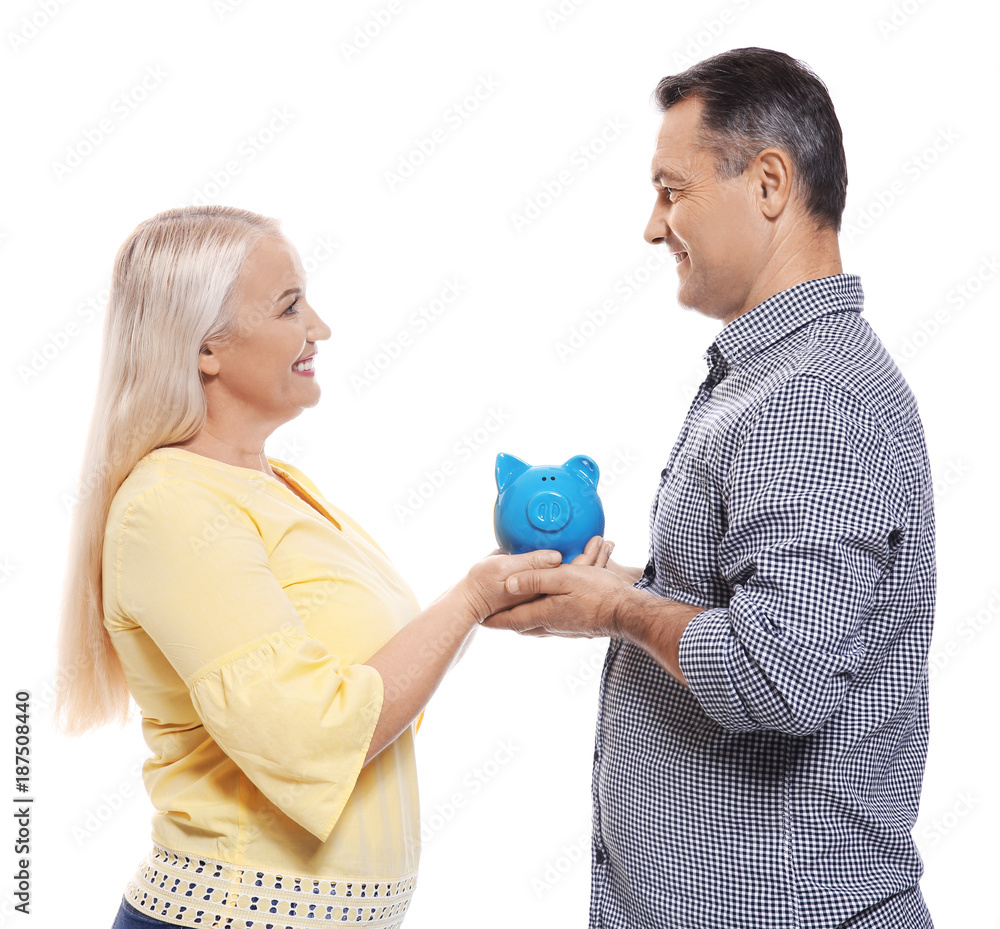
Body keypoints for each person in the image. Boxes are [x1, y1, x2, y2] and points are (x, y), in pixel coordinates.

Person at [54, 205, 612, 929]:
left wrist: (529, 586)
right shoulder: (171, 507)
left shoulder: (276, 484)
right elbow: (314, 733)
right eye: (290, 306)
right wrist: (475, 594)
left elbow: (371, 675)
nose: (319, 327)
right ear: (206, 348)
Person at [482, 48, 936, 928]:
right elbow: (757, 606)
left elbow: (776, 674)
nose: (654, 227)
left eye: (671, 189)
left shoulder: (809, 400)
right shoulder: (774, 379)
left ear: (769, 183)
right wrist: (626, 587)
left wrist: (614, 611)